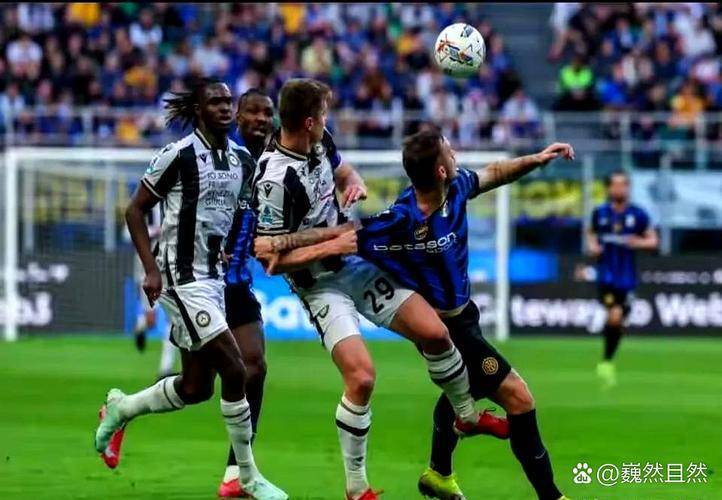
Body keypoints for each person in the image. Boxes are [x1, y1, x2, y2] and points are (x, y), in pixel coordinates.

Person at [255, 128, 575, 500]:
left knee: (462, 391)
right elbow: (344, 235)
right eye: (449, 151)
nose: (455, 154)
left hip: (465, 316)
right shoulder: (401, 219)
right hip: (445, 326)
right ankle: (551, 496)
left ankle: (440, 472)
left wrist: (537, 159)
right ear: (440, 170)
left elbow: (495, 173)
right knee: (519, 398)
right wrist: (281, 243)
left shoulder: (457, 188)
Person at [251, 78, 506, 500]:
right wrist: (328, 245)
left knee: (436, 333)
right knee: (362, 378)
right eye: (324, 114)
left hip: (356, 265)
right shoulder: (274, 181)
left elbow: (343, 170)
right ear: (310, 121)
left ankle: (466, 415)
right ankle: (357, 488)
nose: (328, 120)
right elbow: (270, 260)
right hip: (319, 285)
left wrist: (352, 182)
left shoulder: (320, 141)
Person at [93, 77, 287, 499]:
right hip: (180, 279)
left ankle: (122, 408)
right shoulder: (177, 155)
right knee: (236, 369)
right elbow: (135, 210)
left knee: (196, 388)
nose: (224, 107)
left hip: (216, 280)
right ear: (199, 110)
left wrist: (238, 248)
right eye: (215, 102)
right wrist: (150, 270)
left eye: (227, 101)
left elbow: (238, 214)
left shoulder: (241, 161)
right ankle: (244, 476)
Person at [217, 89, 277, 497]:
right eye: (252, 111)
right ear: (238, 116)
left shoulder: (271, 163)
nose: (260, 118)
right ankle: (123, 409)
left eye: (267, 113)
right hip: (202, 282)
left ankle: (236, 472)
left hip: (238, 284)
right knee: (193, 388)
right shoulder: (220, 156)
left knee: (254, 366)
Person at [587, 170, 658, 388]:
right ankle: (606, 362)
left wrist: (638, 242)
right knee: (615, 315)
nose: (619, 189)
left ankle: (608, 357)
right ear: (609, 188)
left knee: (618, 322)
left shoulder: (638, 214)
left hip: (627, 280)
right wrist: (593, 246)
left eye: (623, 185)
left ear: (628, 188)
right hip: (606, 278)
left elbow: (653, 241)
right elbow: (591, 233)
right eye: (615, 185)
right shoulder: (600, 213)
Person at [131, 203, 178, 381]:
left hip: (170, 263)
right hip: (147, 264)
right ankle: (140, 327)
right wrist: (156, 231)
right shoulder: (143, 202)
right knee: (151, 320)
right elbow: (129, 231)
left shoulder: (175, 200)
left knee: (173, 319)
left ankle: (165, 370)